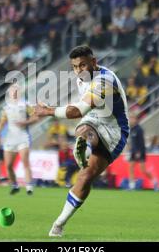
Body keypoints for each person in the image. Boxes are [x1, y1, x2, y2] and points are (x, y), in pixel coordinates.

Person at [34, 45, 130, 237]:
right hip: (94, 121)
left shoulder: (104, 81)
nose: (78, 71)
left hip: (114, 132)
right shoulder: (82, 79)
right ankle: (58, 225)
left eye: (82, 65)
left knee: (86, 177)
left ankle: (84, 150)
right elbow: (81, 112)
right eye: (75, 67)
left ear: (94, 62)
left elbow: (78, 111)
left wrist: (47, 111)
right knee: (84, 130)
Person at [0, 84, 39, 195]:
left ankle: (29, 187)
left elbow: (35, 117)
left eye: (16, 91)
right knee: (8, 165)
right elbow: (2, 122)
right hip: (10, 139)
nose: (14, 93)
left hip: (23, 137)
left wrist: (25, 122)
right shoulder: (6, 107)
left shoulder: (25, 104)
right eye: (11, 91)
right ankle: (15, 185)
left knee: (25, 162)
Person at [127, 113, 159, 191]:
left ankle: (155, 182)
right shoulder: (132, 129)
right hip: (133, 152)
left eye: (132, 118)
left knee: (143, 170)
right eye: (130, 118)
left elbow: (141, 142)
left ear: (136, 120)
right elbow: (133, 141)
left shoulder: (139, 129)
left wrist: (139, 152)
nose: (131, 120)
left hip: (140, 152)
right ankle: (132, 186)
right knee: (131, 167)